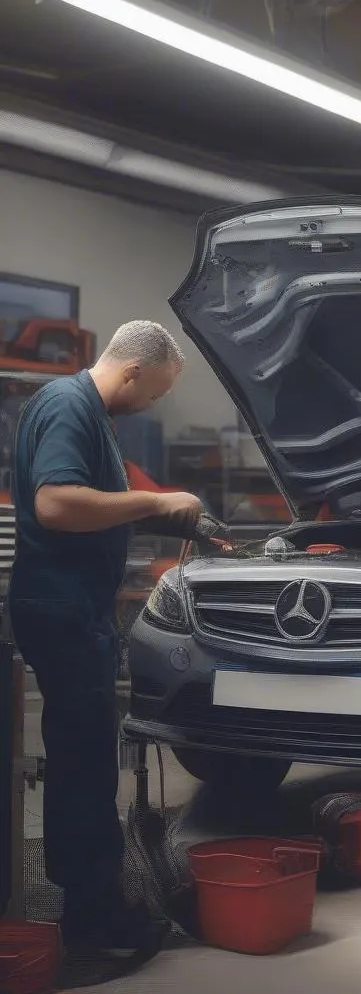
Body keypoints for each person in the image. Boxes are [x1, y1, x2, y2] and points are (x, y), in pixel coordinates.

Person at [8, 321, 206, 958]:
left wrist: (158, 503)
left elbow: (91, 499)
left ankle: (94, 905)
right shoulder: (72, 406)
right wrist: (153, 505)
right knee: (85, 765)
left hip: (73, 608)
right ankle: (92, 924)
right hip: (63, 611)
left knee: (84, 758)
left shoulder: (80, 409)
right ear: (131, 373)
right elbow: (57, 505)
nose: (152, 404)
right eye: (154, 393)